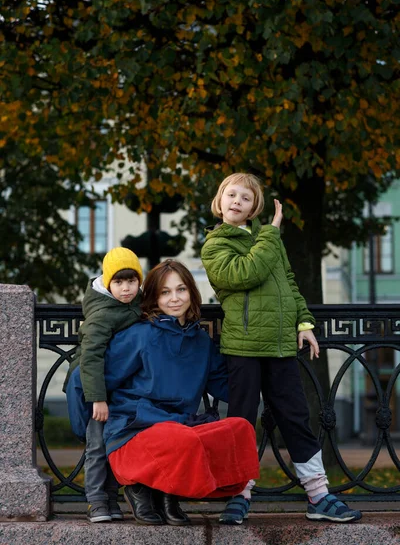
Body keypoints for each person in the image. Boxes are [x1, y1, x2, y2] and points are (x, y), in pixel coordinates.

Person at [200, 172, 363, 525]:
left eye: (245, 197)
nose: (237, 201)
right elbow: (244, 274)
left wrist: (304, 323)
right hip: (243, 347)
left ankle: (318, 494)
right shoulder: (215, 244)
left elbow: (288, 281)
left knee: (296, 418)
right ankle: (239, 493)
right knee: (241, 421)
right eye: (231, 194)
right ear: (220, 199)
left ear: (253, 206)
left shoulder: (268, 240)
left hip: (280, 346)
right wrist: (272, 232)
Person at [67, 259, 260, 526]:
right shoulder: (140, 335)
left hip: (178, 427)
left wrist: (262, 367)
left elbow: (227, 386)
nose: (175, 299)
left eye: (181, 290)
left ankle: (170, 494)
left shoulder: (201, 342)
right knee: (179, 437)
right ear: (154, 298)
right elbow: (83, 376)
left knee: (238, 427)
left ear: (191, 292)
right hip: (133, 430)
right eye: (165, 292)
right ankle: (139, 487)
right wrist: (83, 427)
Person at [65, 246, 143, 523]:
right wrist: (97, 398)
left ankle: (111, 498)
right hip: (94, 389)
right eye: (119, 282)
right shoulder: (102, 314)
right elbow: (90, 359)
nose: (126, 288)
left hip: (119, 386)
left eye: (131, 281)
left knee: (115, 442)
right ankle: (96, 501)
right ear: (108, 283)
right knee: (97, 443)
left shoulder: (136, 304)